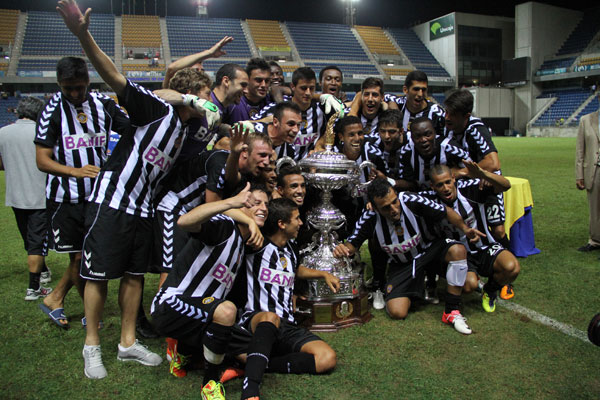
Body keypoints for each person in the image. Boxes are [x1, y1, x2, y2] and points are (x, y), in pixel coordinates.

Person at [57, 0, 217, 379]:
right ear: (192, 93)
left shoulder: (185, 131)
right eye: (205, 93)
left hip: (143, 207)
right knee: (98, 275)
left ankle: (128, 342)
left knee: (134, 276)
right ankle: (91, 346)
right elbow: (114, 76)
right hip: (112, 198)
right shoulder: (155, 109)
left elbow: (179, 85)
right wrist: (83, 35)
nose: (209, 101)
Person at [34, 56, 130, 329]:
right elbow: (42, 160)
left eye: (80, 87)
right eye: (68, 89)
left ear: (89, 81)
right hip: (66, 198)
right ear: (59, 85)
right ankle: (85, 309)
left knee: (90, 254)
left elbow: (131, 130)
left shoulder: (104, 104)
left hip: (97, 196)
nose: (75, 94)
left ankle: (58, 298)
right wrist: (74, 171)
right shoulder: (51, 110)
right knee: (79, 257)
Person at [151, 183, 267, 396]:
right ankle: (210, 383)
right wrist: (230, 203)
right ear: (241, 208)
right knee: (225, 311)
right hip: (170, 305)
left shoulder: (241, 245)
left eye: (266, 204)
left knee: (250, 352)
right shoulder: (224, 226)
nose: (264, 208)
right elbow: (185, 221)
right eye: (256, 202)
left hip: (202, 314)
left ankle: (184, 354)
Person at [334, 178, 484, 334]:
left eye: (394, 202)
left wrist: (465, 229)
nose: (393, 209)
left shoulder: (410, 200)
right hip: (402, 264)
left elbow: (447, 212)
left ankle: (451, 311)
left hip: (429, 251)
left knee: (466, 276)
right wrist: (341, 249)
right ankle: (421, 285)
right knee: (397, 312)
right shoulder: (369, 218)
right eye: (386, 207)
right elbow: (351, 246)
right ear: (375, 208)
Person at [239, 198, 338, 400]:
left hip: (287, 325)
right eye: (296, 218)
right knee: (269, 318)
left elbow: (294, 270)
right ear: (281, 224)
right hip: (257, 320)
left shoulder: (291, 248)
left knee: (326, 359)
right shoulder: (256, 244)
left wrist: (322, 274)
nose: (301, 223)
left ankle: (254, 363)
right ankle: (250, 390)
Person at [426, 163, 520, 312]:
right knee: (469, 285)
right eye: (439, 185)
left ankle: (489, 290)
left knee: (511, 268)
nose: (445, 188)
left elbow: (506, 185)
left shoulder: (471, 188)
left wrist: (484, 174)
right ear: (432, 186)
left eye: (447, 182)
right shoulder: (428, 201)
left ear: (453, 178)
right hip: (461, 255)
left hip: (484, 246)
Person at [0, 96, 52, 300]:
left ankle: (44, 271)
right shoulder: (42, 132)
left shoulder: (3, 132)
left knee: (29, 239)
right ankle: (33, 287)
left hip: (15, 194)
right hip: (39, 194)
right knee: (37, 241)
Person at [253, 67, 344, 160]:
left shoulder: (323, 110)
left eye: (311, 88)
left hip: (307, 168)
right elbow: (252, 125)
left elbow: (333, 129)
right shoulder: (277, 108)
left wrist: (319, 145)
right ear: (292, 86)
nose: (308, 93)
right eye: (303, 88)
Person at [396, 117, 470, 192]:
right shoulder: (406, 152)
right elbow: (407, 184)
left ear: (435, 133)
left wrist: (458, 173)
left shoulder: (450, 148)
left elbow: (473, 169)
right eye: (417, 136)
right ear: (412, 138)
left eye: (427, 135)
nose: (423, 140)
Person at [384, 70, 445, 135]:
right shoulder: (399, 103)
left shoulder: (437, 114)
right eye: (416, 89)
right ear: (405, 90)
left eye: (423, 90)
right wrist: (391, 104)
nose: (420, 94)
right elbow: (384, 96)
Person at [575, 100, 600, 252]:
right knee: (594, 208)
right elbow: (580, 150)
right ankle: (595, 240)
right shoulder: (586, 120)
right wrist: (579, 175)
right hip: (593, 170)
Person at [225, 58, 272, 124]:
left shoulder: (271, 102)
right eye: (258, 80)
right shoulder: (233, 102)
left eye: (267, 81)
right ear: (247, 80)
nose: (263, 85)